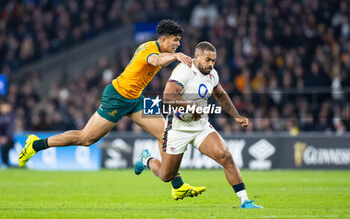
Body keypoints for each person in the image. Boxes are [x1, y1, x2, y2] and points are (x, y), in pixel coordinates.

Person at [19, 19, 205, 199]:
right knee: (86, 138)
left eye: (179, 41)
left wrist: (174, 56)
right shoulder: (149, 49)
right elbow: (156, 60)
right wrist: (175, 56)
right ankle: (35, 144)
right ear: (163, 39)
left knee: (166, 134)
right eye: (175, 40)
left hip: (137, 98)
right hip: (117, 97)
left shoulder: (157, 48)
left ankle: (176, 185)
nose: (178, 44)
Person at [134, 41, 263, 208]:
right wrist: (190, 107)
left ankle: (245, 201)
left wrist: (236, 116)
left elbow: (221, 95)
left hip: (200, 126)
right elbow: (168, 96)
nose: (211, 64)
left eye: (213, 61)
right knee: (166, 176)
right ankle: (147, 159)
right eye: (207, 60)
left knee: (225, 155)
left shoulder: (212, 75)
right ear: (196, 57)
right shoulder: (184, 71)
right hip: (178, 128)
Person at [0, 100, 15, 167]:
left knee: (5, 146)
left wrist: (6, 138)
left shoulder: (11, 116)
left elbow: (10, 129)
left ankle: (5, 163)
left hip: (8, 140)